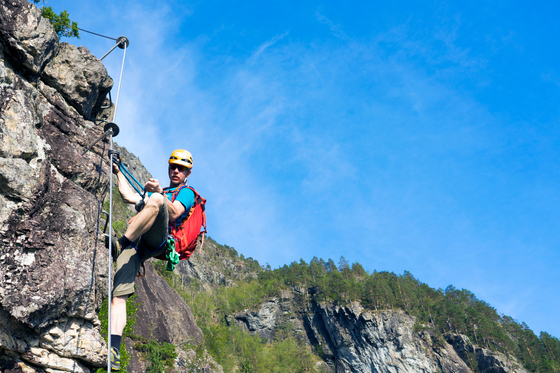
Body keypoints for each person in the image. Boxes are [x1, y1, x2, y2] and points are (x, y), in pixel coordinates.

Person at [107, 149, 195, 371]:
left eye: (181, 168)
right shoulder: (163, 192)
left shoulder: (187, 193)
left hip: (158, 240)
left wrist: (158, 194)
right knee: (119, 295)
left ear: (188, 173)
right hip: (139, 244)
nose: (176, 170)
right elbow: (128, 196)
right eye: (173, 166)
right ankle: (114, 350)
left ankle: (120, 244)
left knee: (155, 200)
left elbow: (174, 213)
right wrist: (117, 171)